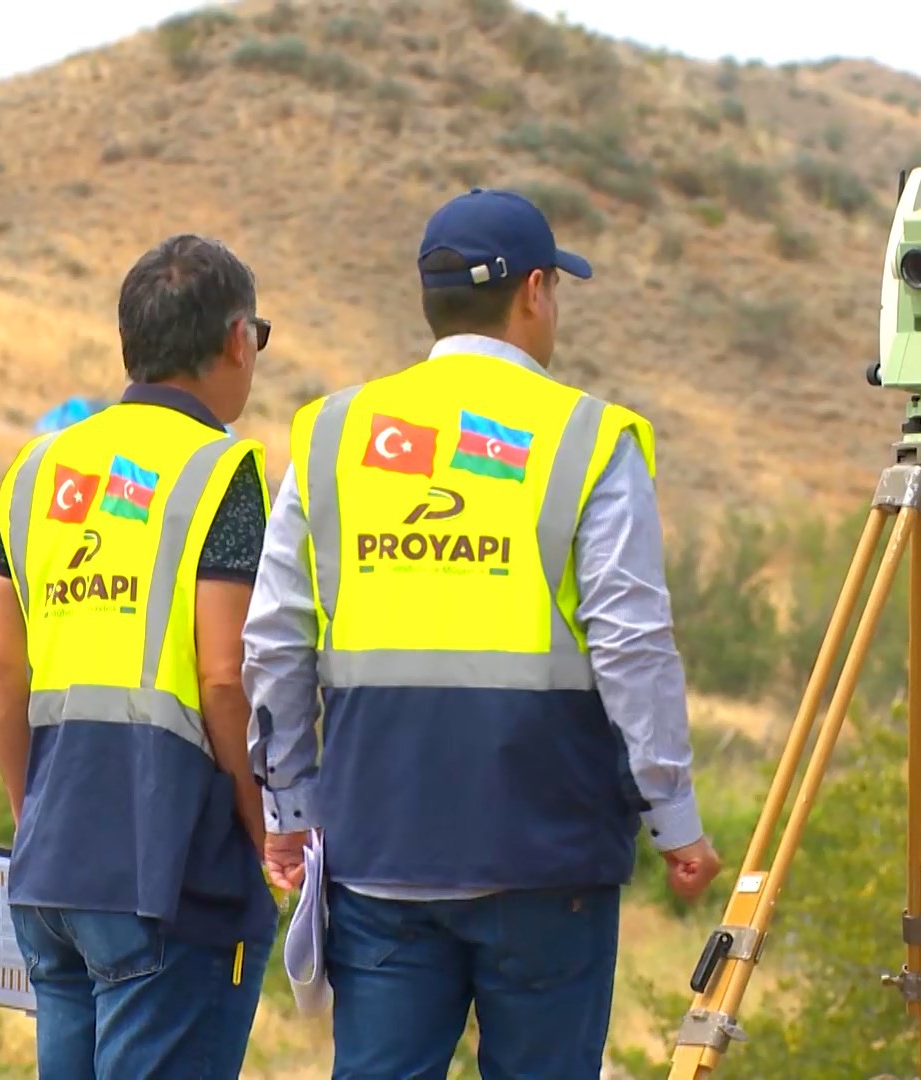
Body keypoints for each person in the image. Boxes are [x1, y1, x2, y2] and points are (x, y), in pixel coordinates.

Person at [242, 186, 723, 1078]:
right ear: (535, 291)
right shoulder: (587, 437)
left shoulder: (331, 434)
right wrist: (676, 820)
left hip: (377, 848)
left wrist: (289, 809)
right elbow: (632, 644)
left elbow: (273, 643)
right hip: (547, 857)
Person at [0, 235, 279, 1079]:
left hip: (54, 869)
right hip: (170, 871)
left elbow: (3, 670)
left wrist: (32, 817)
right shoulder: (223, 472)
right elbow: (226, 678)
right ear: (234, 339)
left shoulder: (35, 471)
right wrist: (268, 836)